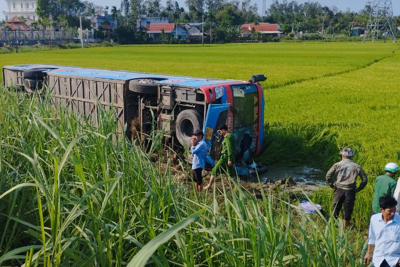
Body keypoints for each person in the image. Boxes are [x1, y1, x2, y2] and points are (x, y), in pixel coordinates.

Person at [326, 147, 368, 228]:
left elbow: (328, 175)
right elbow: (364, 180)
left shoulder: (337, 165)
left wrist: (331, 184)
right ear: (352, 156)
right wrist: (358, 189)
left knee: (335, 208)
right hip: (350, 190)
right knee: (348, 209)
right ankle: (345, 229)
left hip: (339, 189)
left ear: (342, 155)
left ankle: (332, 227)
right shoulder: (357, 166)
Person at [364, 196, 400, 267]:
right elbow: (372, 238)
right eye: (390, 211)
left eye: (394, 210)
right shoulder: (374, 219)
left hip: (394, 260)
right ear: (381, 210)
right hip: (378, 259)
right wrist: (368, 253)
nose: (393, 213)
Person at [204, 125, 235, 190]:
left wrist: (229, 159)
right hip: (229, 157)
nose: (220, 132)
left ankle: (209, 186)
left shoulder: (227, 137)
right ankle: (235, 187)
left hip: (225, 157)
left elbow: (229, 148)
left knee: (214, 170)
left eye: (221, 130)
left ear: (224, 130)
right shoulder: (231, 135)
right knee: (230, 173)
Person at [190, 129, 207, 193]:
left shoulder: (202, 144)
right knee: (195, 179)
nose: (195, 137)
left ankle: (200, 194)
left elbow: (194, 151)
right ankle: (196, 193)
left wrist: (192, 143)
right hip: (195, 164)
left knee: (199, 181)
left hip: (198, 164)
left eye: (196, 136)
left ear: (200, 136)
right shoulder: (199, 143)